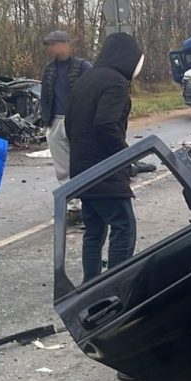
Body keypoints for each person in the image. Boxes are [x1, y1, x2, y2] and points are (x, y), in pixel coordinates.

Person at [66, 32, 143, 281]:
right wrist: (125, 157)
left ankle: (92, 285)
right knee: (124, 227)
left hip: (83, 170)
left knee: (94, 230)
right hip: (105, 171)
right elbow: (106, 123)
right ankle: (115, 287)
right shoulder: (116, 83)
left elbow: (70, 123)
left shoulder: (86, 78)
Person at [40, 30, 92, 223]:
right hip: (55, 121)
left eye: (53, 44)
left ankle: (89, 205)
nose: (51, 49)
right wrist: (46, 119)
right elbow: (45, 95)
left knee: (82, 164)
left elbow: (92, 92)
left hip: (77, 121)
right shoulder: (49, 69)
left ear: (64, 43)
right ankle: (72, 208)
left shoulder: (83, 66)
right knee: (62, 168)